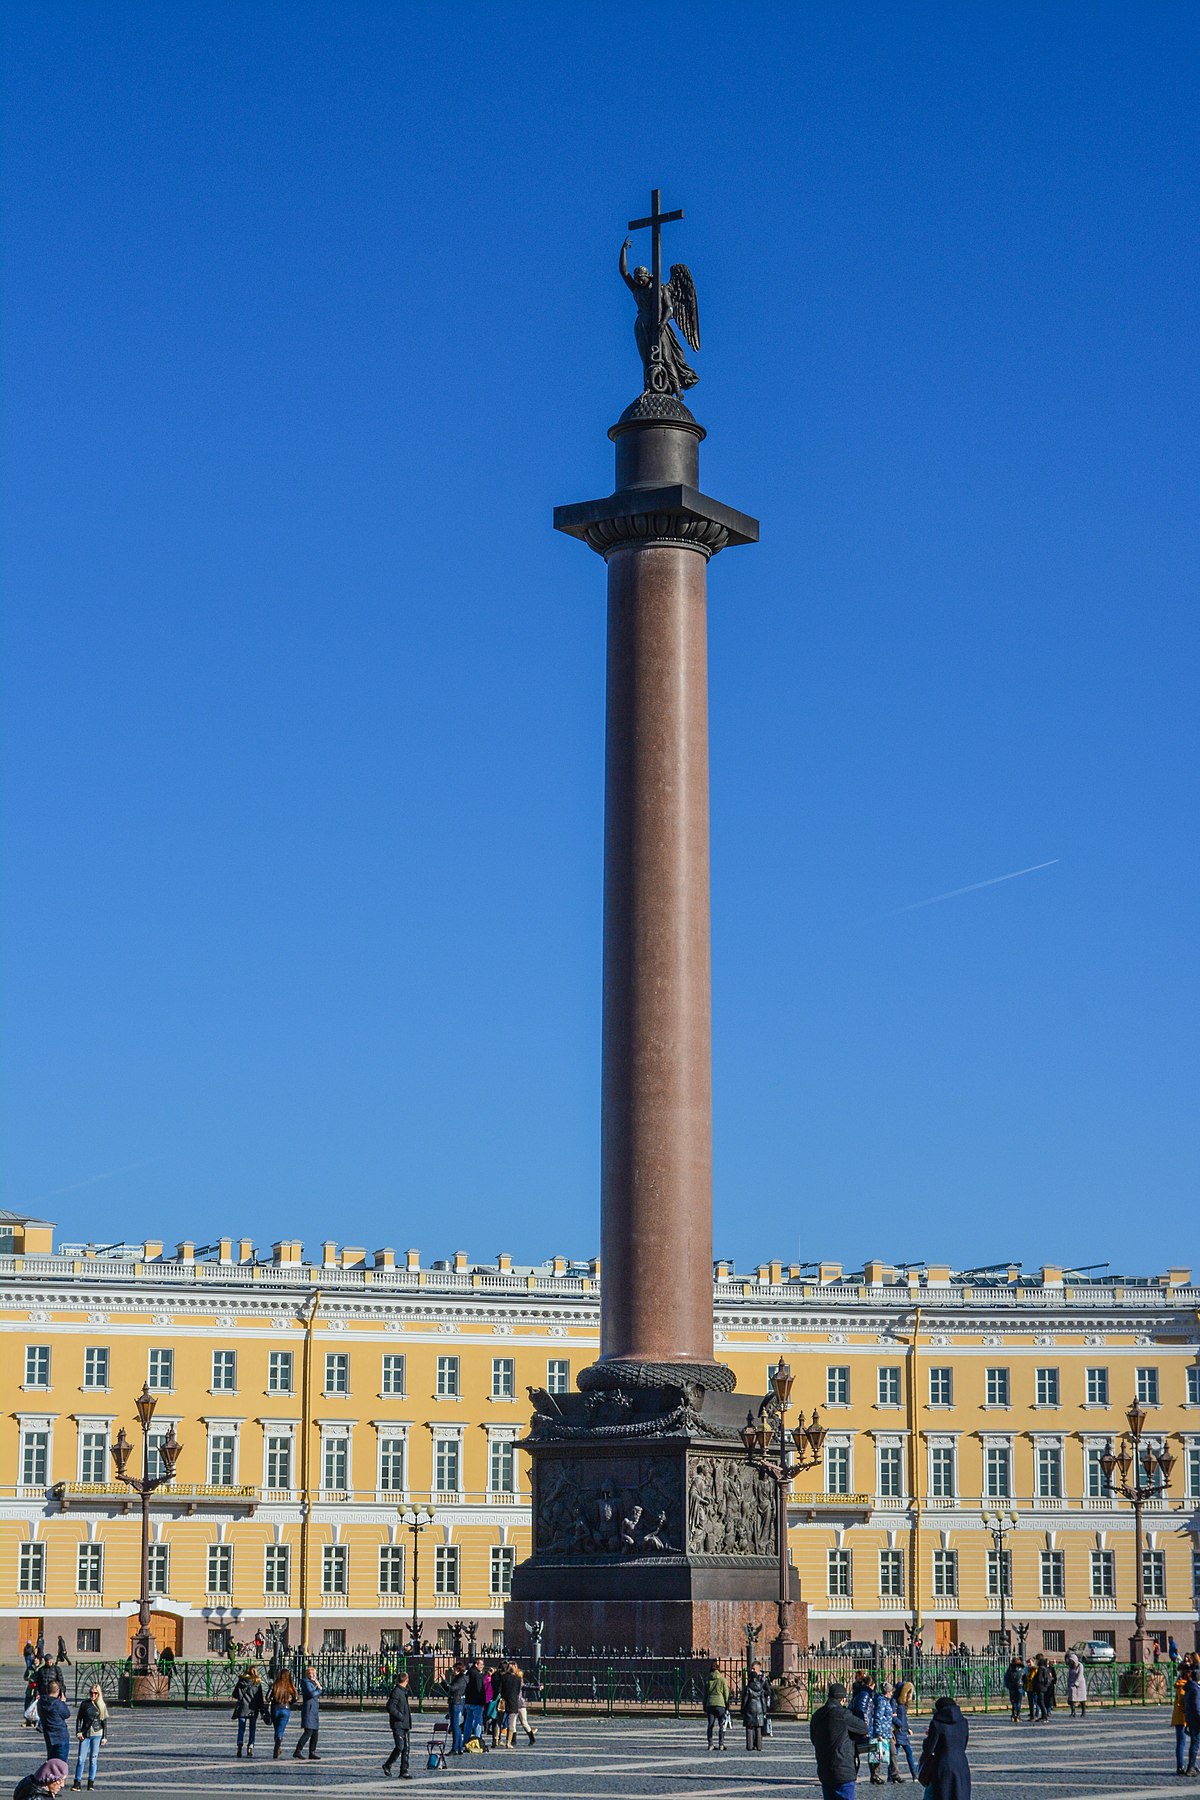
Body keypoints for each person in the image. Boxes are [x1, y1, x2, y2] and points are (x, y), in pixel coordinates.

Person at [810, 1681, 869, 1800]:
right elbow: (863, 1728)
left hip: (824, 1769)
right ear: (842, 1700)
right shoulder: (843, 1715)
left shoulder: (817, 1715)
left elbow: (813, 1739)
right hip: (843, 1769)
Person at [916, 1696, 971, 1800]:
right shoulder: (964, 1722)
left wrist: (927, 1739)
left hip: (943, 1765)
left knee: (942, 1794)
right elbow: (964, 1744)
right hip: (961, 1765)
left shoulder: (937, 1723)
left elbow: (929, 1748)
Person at [72, 1686, 107, 1791]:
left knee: (93, 1759)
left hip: (97, 1733)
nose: (93, 1695)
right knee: (80, 1759)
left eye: (95, 1693)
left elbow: (104, 1722)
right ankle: (77, 1782)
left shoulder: (102, 1705)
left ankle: (91, 1782)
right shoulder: (84, 1704)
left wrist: (105, 1736)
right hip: (85, 1734)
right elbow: (79, 1719)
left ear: (99, 1694)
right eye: (91, 1693)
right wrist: (78, 1732)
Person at [382, 1670, 412, 1779]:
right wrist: (400, 1716)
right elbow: (390, 1707)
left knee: (406, 1748)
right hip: (398, 1724)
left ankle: (404, 1770)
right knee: (400, 1747)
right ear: (407, 1680)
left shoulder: (404, 1691)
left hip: (405, 1724)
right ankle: (387, 1764)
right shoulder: (396, 1691)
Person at [499, 1662, 536, 1748]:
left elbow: (524, 1687)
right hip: (513, 1702)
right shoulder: (511, 1678)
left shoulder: (518, 1679)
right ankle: (513, 1740)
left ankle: (531, 1738)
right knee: (513, 1723)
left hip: (520, 1703)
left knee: (524, 1722)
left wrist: (537, 1688)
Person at [867, 1681, 894, 1785]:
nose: (892, 1694)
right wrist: (878, 1733)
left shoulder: (885, 1701)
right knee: (877, 1754)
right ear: (888, 1691)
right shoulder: (882, 1701)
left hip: (885, 1731)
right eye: (891, 1691)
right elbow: (878, 1716)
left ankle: (876, 1775)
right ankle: (875, 1775)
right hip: (881, 1732)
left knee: (880, 1753)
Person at [37, 1685, 71, 1765]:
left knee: (51, 1763)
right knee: (61, 1765)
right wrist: (62, 1702)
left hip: (49, 1736)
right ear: (58, 1690)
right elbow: (67, 1714)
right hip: (60, 1736)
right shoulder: (57, 1703)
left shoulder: (41, 1702)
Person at [293, 1666, 321, 1760]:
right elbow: (312, 1694)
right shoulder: (305, 1682)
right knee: (308, 1732)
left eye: (314, 1674)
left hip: (313, 1710)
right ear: (308, 1675)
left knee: (315, 1732)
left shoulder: (312, 1683)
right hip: (309, 1710)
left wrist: (317, 1686)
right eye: (311, 1674)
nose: (313, 1676)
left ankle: (312, 1751)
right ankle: (298, 1751)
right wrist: (319, 1689)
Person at [739, 1664, 769, 1753]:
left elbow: (745, 1700)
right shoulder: (760, 1687)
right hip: (759, 1708)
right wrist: (764, 1710)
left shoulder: (748, 1687)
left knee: (749, 1727)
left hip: (750, 1708)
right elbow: (763, 1699)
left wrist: (742, 1709)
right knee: (758, 1727)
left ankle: (749, 1745)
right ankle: (759, 1745)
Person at [891, 1682, 917, 1783]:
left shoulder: (902, 1702)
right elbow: (893, 1716)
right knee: (895, 1755)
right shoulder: (894, 1701)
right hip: (898, 1731)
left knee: (909, 1753)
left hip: (903, 1732)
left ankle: (914, 1774)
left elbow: (904, 1718)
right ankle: (892, 1775)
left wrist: (908, 1727)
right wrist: (900, 1725)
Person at [269, 1669, 298, 1759]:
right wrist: (290, 1703)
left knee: (276, 1729)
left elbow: (267, 1697)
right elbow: (296, 1697)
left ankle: (277, 1747)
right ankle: (277, 1746)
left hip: (275, 1708)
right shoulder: (290, 1685)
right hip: (286, 1709)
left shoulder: (276, 1685)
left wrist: (273, 1700)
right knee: (280, 1730)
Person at [704, 1661, 730, 1751]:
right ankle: (721, 1744)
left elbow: (705, 1694)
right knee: (721, 1725)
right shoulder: (722, 1679)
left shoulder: (707, 1679)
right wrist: (727, 1703)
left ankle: (710, 1744)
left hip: (710, 1703)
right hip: (720, 1704)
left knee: (710, 1725)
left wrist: (704, 1704)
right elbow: (726, 1693)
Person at [463, 1658, 487, 1748]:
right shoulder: (477, 1675)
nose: (483, 1666)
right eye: (481, 1664)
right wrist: (483, 1701)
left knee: (468, 1722)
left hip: (469, 1700)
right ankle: (477, 1740)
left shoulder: (468, 1673)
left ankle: (465, 1740)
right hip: (477, 1702)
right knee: (478, 1723)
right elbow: (479, 1689)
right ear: (476, 1664)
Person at [446, 1661, 468, 1756]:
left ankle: (455, 1748)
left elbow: (452, 1688)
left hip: (456, 1703)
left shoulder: (461, 1679)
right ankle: (459, 1747)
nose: (453, 1671)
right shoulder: (458, 1678)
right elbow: (448, 1689)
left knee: (455, 1726)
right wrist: (443, 1683)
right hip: (455, 1702)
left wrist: (444, 1681)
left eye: (454, 1669)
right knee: (455, 1726)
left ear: (459, 1670)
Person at [1183, 1663, 1200, 1779]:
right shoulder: (1195, 1689)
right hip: (1197, 1720)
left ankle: (1192, 1766)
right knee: (1195, 1744)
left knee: (1194, 1744)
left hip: (1191, 1719)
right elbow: (1197, 1706)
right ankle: (1191, 1767)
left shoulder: (1189, 1688)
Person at [1065, 1651, 1087, 1719]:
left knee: (1082, 1699)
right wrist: (1069, 1684)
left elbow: (1080, 1675)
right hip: (1072, 1684)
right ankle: (1073, 1712)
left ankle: (1083, 1711)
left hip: (1080, 1684)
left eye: (1072, 1661)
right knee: (1072, 1698)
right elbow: (1069, 1676)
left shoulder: (1080, 1665)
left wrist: (1077, 1682)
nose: (1071, 1662)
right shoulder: (1070, 1667)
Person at [1004, 1657, 1024, 1724]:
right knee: (1019, 1702)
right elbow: (1024, 1678)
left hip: (1012, 1687)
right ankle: (1018, 1715)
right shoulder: (1022, 1669)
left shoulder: (1009, 1669)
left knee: (1013, 1702)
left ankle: (1013, 1715)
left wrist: (1008, 1686)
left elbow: (1006, 1678)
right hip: (1020, 1686)